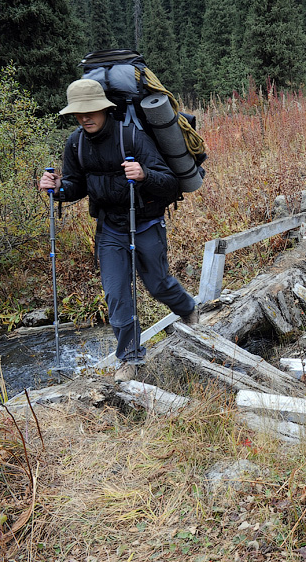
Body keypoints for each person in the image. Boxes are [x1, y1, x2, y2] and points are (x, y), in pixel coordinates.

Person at [38, 79, 199, 382]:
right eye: (79, 113)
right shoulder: (76, 143)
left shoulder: (132, 137)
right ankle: (131, 359)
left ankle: (188, 308)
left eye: (91, 111)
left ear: (105, 108)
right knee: (117, 295)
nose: (85, 117)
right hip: (110, 227)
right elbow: (77, 185)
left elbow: (169, 182)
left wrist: (144, 174)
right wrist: (58, 188)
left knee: (158, 285)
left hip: (146, 223)